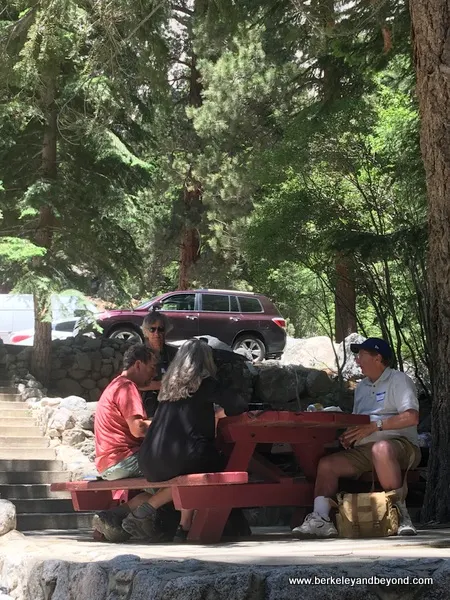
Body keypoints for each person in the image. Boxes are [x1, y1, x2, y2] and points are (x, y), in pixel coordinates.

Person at [292, 337, 421, 539]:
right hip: (366, 449)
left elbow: (411, 417)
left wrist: (375, 426)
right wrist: (351, 434)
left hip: (401, 446)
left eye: (361, 355)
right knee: (327, 464)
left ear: (377, 358)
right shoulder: (361, 388)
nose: (357, 361)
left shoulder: (399, 380)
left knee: (381, 449)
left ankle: (400, 513)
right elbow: (362, 423)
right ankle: (321, 519)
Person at [121, 338, 248, 542]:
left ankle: (184, 526)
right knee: (218, 462)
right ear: (205, 362)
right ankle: (213, 522)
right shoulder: (204, 383)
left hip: (149, 458)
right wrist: (222, 412)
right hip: (182, 457)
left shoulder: (168, 388)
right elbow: (238, 404)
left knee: (191, 467)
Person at [92, 344, 157, 542]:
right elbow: (138, 428)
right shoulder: (127, 388)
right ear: (138, 364)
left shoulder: (115, 385)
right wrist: (165, 424)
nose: (154, 373)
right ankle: (139, 520)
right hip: (123, 459)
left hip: (107, 463)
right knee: (174, 472)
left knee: (163, 487)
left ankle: (112, 518)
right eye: (152, 367)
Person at [140, 310, 178, 417]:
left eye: (160, 329)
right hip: (147, 407)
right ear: (146, 332)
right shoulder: (138, 354)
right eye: (152, 329)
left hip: (171, 406)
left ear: (165, 331)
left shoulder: (175, 353)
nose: (156, 334)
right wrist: (162, 385)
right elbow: (133, 382)